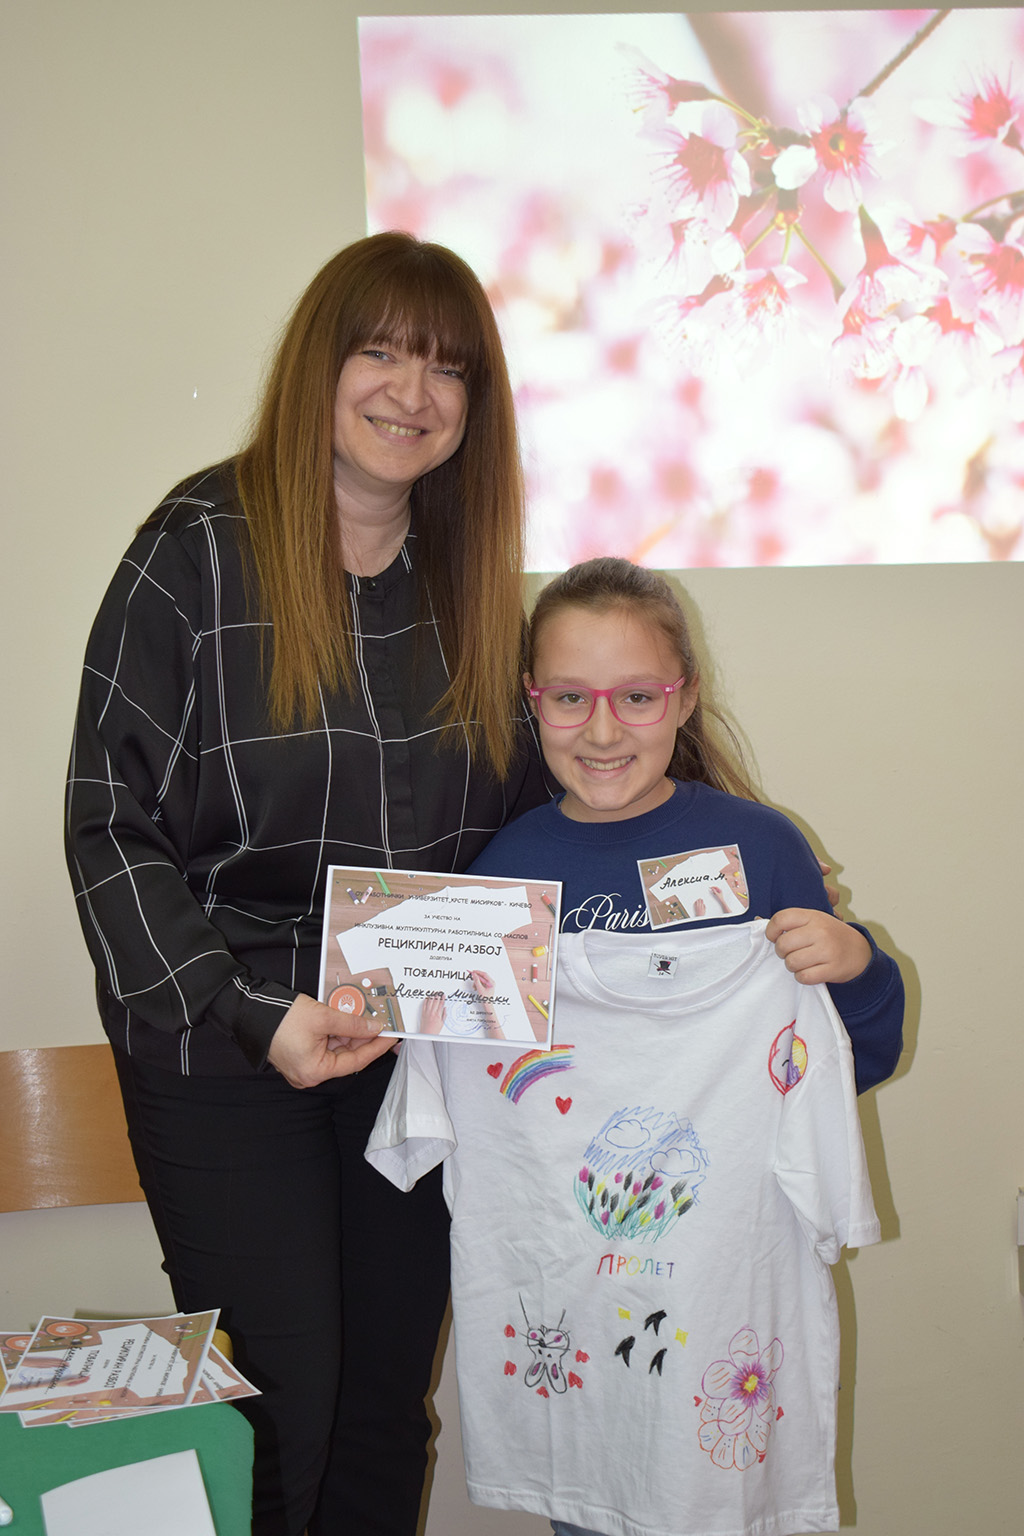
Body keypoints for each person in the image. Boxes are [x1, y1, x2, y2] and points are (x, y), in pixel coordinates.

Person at [63, 232, 551, 1536]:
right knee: (284, 1411)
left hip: (413, 1044)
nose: (413, 392)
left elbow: (547, 806)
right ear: (319, 366)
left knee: (387, 1406)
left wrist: (720, 880)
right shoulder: (194, 547)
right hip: (228, 1038)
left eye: (448, 368)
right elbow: (109, 829)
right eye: (380, 352)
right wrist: (246, 1012)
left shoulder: (471, 576)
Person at [367, 557, 903, 1536]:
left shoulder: (760, 849)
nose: (603, 730)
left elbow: (841, 1068)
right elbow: (442, 1096)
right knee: (594, 1498)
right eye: (570, 697)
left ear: (683, 698)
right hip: (573, 1327)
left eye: (637, 697)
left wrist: (857, 967)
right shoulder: (503, 875)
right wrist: (391, 1004)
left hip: (723, 1298)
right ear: (532, 701)